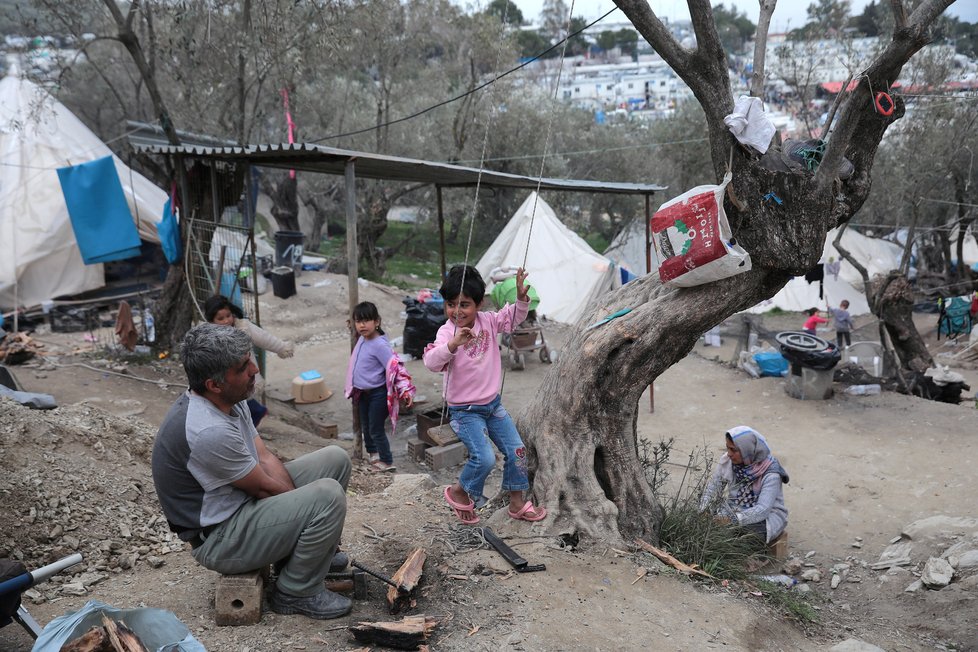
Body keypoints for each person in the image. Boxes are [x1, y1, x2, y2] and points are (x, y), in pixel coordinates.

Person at [152, 323, 352, 620]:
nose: (255, 369)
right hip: (220, 538)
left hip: (240, 507)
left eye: (250, 359)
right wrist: (312, 518)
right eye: (243, 366)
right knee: (327, 497)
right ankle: (296, 591)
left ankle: (300, 560)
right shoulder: (208, 429)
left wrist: (312, 526)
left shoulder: (230, 399)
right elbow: (263, 488)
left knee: (335, 459)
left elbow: (264, 457)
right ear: (214, 384)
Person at [423, 265, 547, 525]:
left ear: (479, 304)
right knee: (484, 458)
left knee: (518, 452)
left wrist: (522, 299)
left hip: (493, 406)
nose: (457, 311)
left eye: (465, 304)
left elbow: (513, 317)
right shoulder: (447, 332)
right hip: (464, 412)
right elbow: (431, 362)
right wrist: (452, 345)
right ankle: (460, 492)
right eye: (451, 304)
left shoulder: (489, 321)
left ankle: (517, 501)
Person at [343, 301, 416, 473]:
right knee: (366, 426)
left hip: (378, 393)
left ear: (377, 322)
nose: (362, 325)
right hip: (362, 393)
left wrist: (405, 389)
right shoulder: (362, 338)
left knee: (375, 428)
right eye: (358, 321)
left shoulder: (380, 345)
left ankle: (387, 460)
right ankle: (373, 453)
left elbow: (395, 367)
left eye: (366, 320)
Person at [204, 295, 294, 428]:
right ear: (212, 321)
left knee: (247, 406)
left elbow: (264, 338)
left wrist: (282, 347)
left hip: (244, 378)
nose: (226, 321)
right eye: (220, 318)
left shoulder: (243, 328)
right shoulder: (207, 336)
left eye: (228, 316)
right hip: (223, 380)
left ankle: (248, 430)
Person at [700, 426, 789, 546]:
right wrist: (704, 510)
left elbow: (762, 509)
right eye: (728, 448)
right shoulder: (727, 461)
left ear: (747, 450)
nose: (729, 454)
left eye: (734, 450)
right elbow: (712, 489)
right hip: (732, 512)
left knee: (746, 534)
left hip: (765, 519)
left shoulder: (771, 473)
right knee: (700, 518)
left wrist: (732, 520)